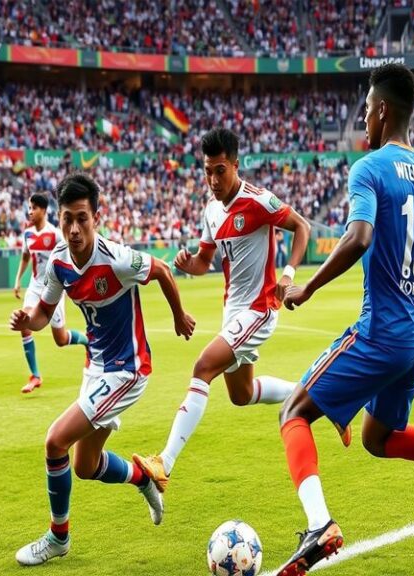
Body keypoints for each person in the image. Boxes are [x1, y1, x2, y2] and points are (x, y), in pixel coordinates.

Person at [274, 64, 414, 576]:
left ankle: (318, 525)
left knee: (293, 412)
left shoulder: (371, 168)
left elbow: (357, 238)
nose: (363, 120)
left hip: (384, 331)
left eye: (365, 110)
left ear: (381, 110)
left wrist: (307, 287)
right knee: (379, 437)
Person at [10, 173, 196, 566]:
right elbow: (44, 312)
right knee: (84, 465)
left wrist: (179, 316)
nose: (74, 229)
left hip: (127, 370)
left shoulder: (117, 259)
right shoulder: (58, 262)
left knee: (54, 441)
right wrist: (28, 320)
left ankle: (58, 539)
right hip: (96, 368)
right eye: (67, 220)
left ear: (97, 216)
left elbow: (162, 270)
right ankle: (145, 478)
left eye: (82, 218)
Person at [132, 128, 312, 494]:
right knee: (241, 394)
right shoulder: (212, 211)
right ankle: (317, 396)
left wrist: (289, 273)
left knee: (202, 368)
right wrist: (187, 263)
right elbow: (204, 263)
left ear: (235, 165)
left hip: (259, 309)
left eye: (220, 170)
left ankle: (163, 464)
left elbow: (302, 227)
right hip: (233, 313)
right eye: (207, 171)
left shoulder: (258, 201)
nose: (213, 180)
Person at [13, 192, 89, 394]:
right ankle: (35, 375)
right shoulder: (28, 234)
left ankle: (88, 342)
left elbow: (69, 256)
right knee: (25, 322)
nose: (30, 212)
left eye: (33, 208)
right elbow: (25, 258)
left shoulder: (55, 234)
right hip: (35, 286)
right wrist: (17, 281)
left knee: (61, 339)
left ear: (43, 211)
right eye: (29, 208)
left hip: (54, 288)